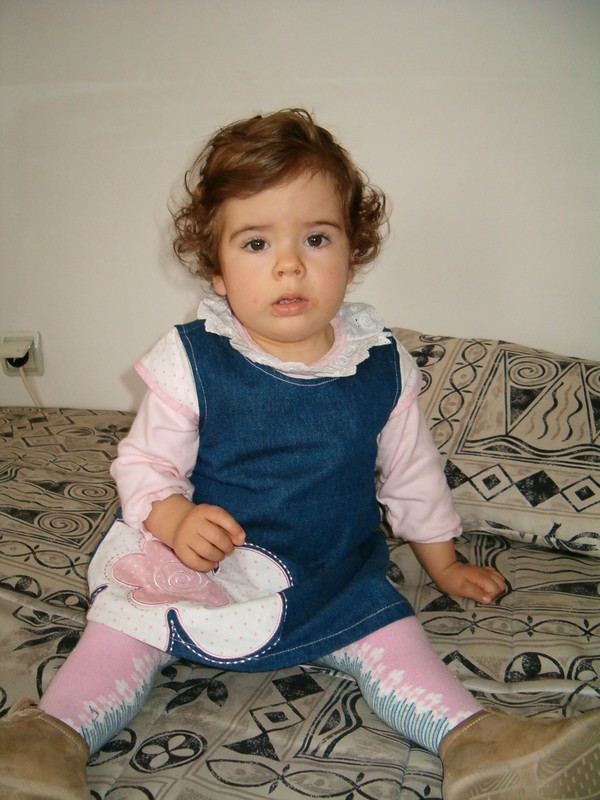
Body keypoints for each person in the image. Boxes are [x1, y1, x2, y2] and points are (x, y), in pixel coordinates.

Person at [1, 109, 598, 800]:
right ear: (218, 271)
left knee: (392, 634)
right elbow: (143, 465)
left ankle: (478, 742)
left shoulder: (381, 365)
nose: (289, 264)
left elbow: (413, 474)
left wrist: (443, 562)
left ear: (352, 254)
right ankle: (48, 742)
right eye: (256, 243)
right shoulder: (192, 360)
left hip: (331, 571)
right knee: (122, 627)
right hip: (200, 564)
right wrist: (171, 518)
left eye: (316, 238)